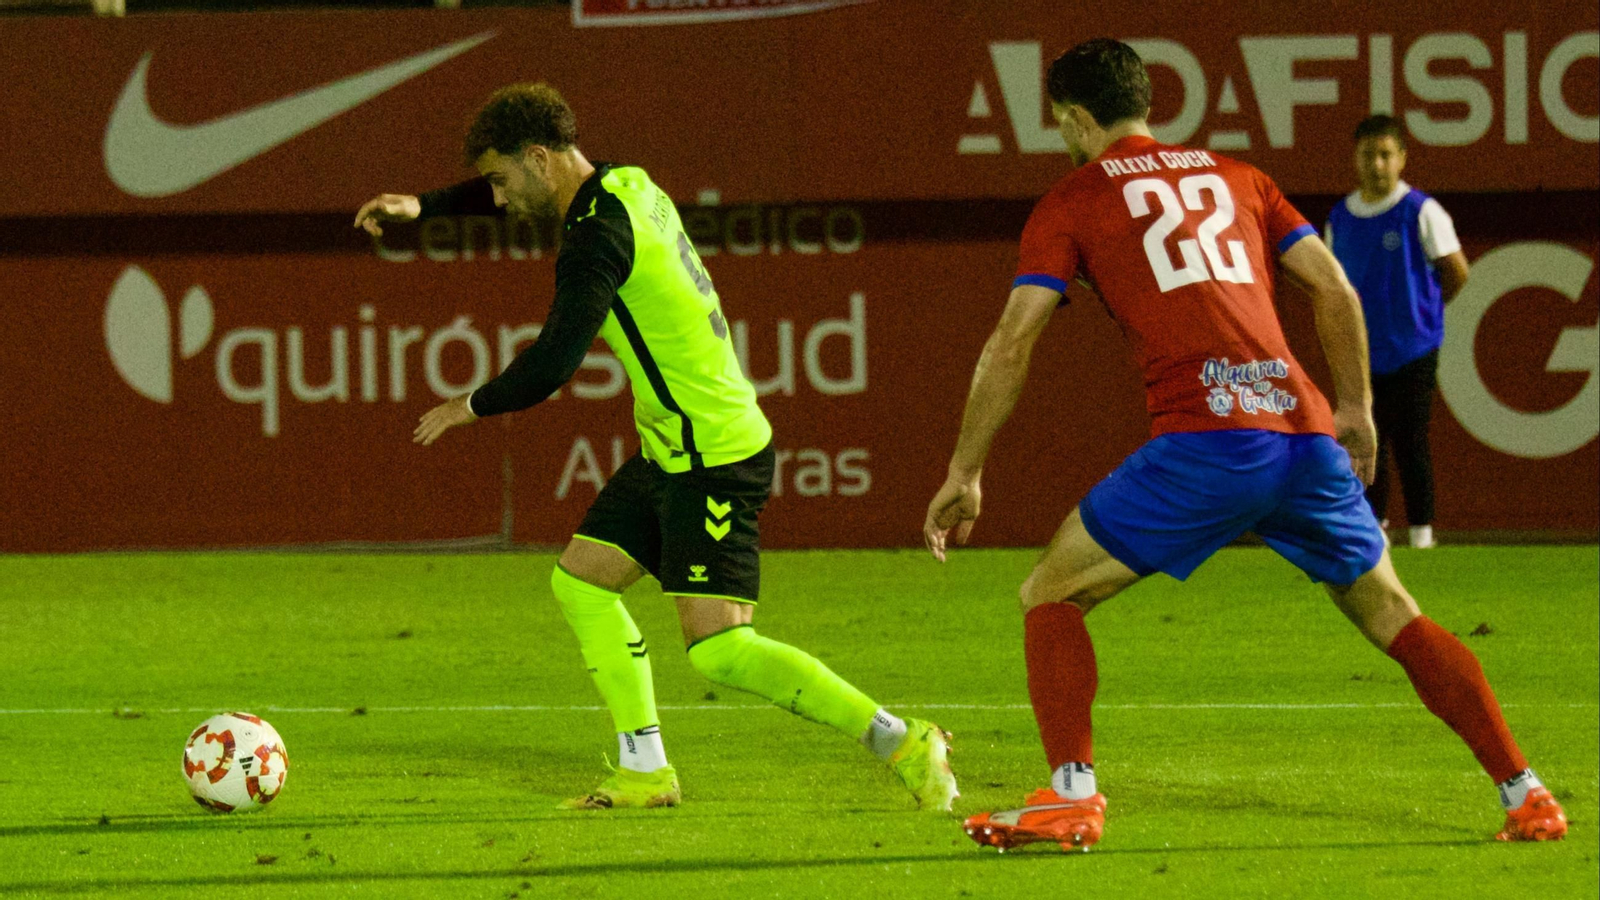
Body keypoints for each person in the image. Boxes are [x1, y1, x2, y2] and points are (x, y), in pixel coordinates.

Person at [923, 39, 1564, 851]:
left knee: (1050, 594)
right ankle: (1525, 792)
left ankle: (1070, 795)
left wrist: (965, 469)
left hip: (1206, 443)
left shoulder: (1073, 199)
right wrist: (1357, 410)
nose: (1064, 138)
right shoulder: (1242, 178)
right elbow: (1332, 287)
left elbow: (1013, 340)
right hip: (1303, 436)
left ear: (1078, 118)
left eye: (1062, 124)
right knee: (1393, 611)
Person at [357, 83, 956, 812]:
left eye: (501, 181)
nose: (500, 198)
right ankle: (644, 771)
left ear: (540, 160)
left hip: (713, 456)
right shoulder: (624, 181)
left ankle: (901, 740)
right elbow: (522, 201)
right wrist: (428, 206)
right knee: (580, 582)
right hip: (676, 448)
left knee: (721, 649)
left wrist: (468, 404)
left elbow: (552, 362)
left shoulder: (595, 238)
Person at [1326, 115, 1471, 550]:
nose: (1377, 164)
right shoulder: (1340, 217)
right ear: (1356, 159)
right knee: (1367, 441)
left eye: (1386, 154)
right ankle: (1376, 532)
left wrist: (1423, 314)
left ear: (1402, 158)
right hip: (1361, 349)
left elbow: (1457, 271)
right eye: (1369, 155)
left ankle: (1422, 535)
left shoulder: (1421, 211)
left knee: (1410, 438)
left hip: (1413, 348)